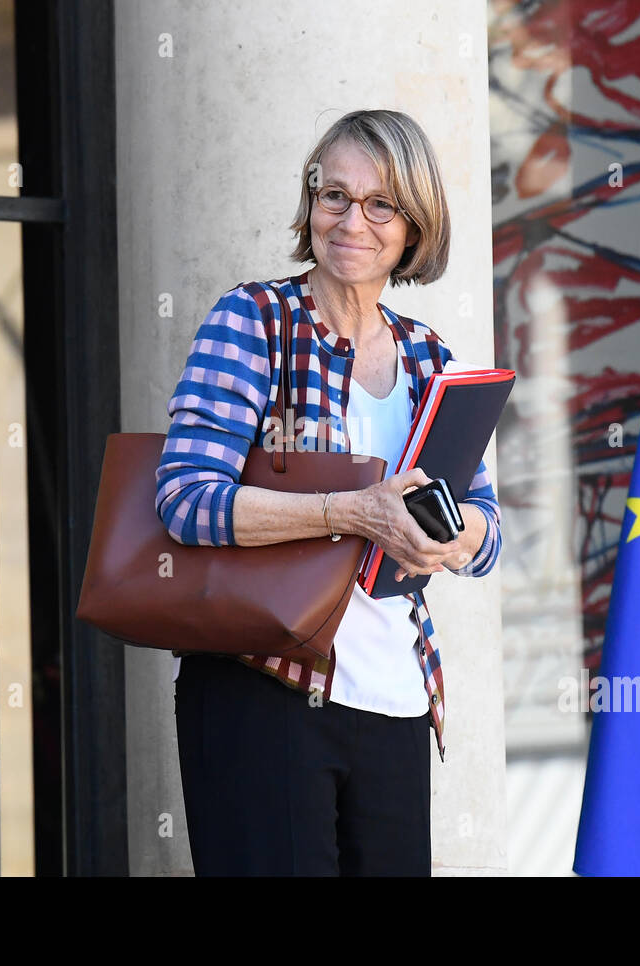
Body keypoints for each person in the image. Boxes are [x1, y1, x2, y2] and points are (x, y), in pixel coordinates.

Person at [154, 109, 503, 876]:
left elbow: (487, 530)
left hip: (397, 699)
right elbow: (185, 499)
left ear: (414, 227)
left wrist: (454, 535)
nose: (352, 220)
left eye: (381, 204)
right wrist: (351, 512)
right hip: (263, 685)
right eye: (333, 194)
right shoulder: (254, 322)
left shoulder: (428, 356)